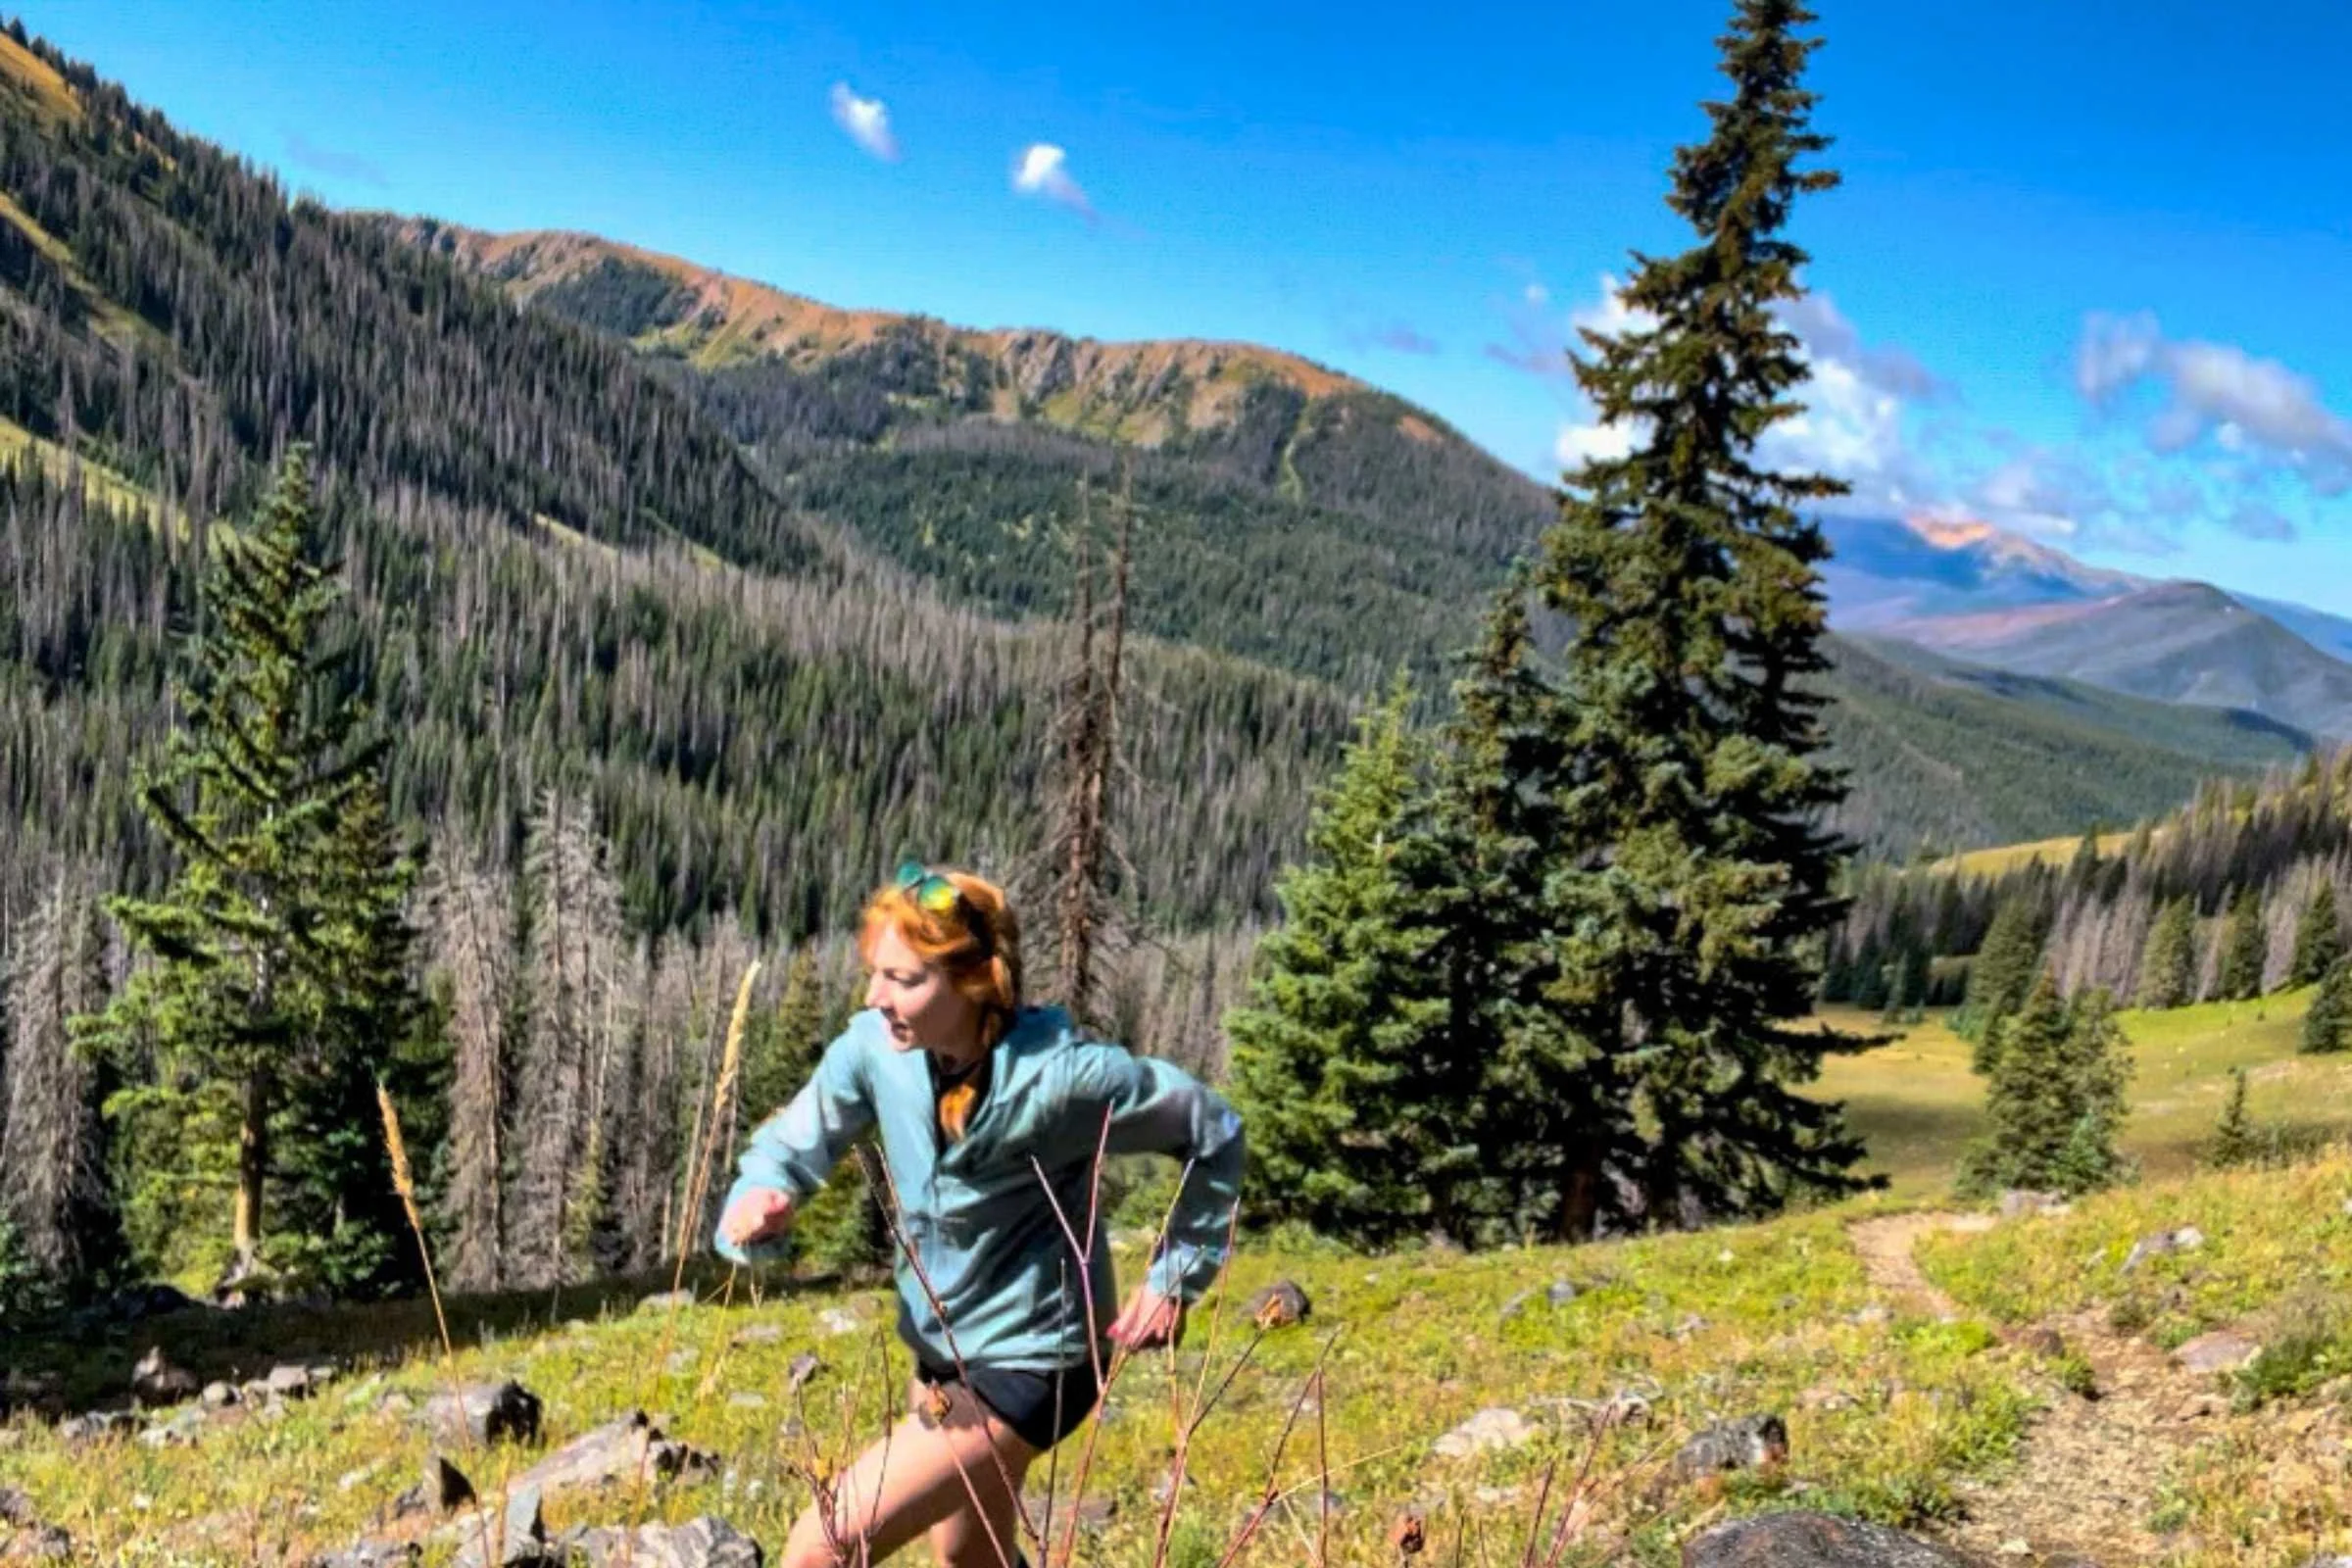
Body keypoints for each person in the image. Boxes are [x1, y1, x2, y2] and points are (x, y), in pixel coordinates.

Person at [715, 862, 1247, 1568]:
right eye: (876, 972)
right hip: (941, 1352)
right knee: (972, 1559)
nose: (875, 996)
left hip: (1038, 1360)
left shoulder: (1063, 1079)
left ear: (973, 982)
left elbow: (1213, 1130)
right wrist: (763, 1194)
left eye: (904, 979)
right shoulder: (876, 1051)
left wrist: (1176, 1276)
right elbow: (791, 1142)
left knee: (825, 1542)